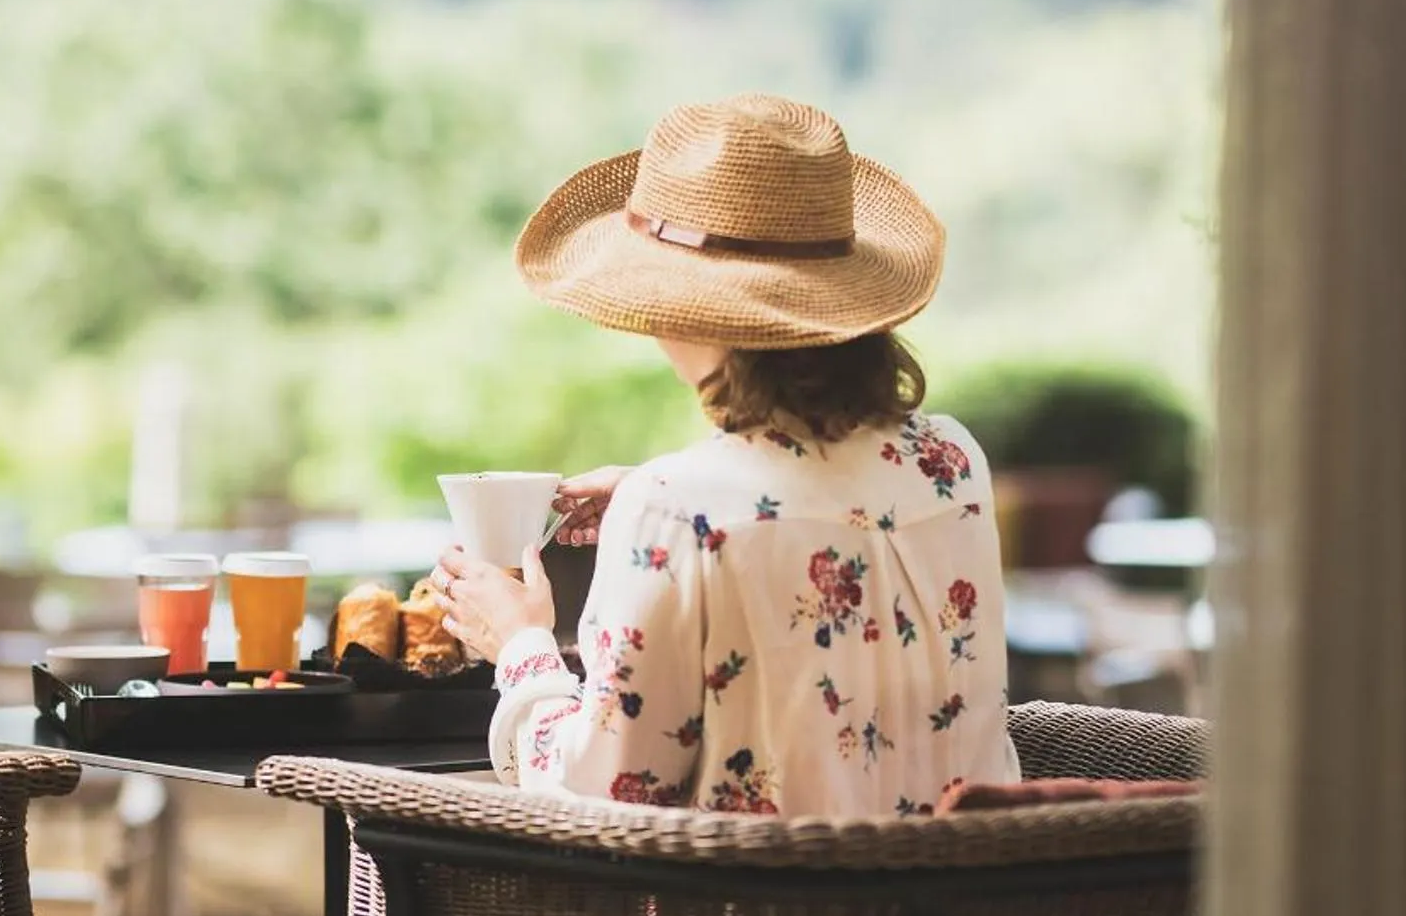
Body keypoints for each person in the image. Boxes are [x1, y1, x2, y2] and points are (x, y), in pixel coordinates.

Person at [433, 93, 1018, 817]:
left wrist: (520, 644)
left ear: (685, 308)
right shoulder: (954, 462)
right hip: (975, 914)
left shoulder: (677, 511)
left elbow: (600, 798)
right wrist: (665, 522)